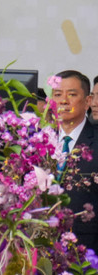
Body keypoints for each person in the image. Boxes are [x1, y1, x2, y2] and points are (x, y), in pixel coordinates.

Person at [51, 70, 98, 252]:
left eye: (72, 94)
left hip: (86, 252)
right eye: (57, 95)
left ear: (87, 102)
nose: (63, 101)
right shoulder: (38, 141)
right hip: (40, 253)